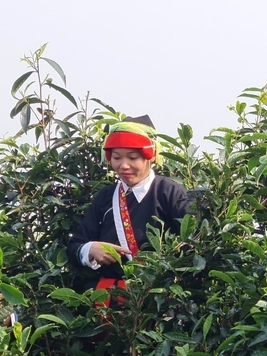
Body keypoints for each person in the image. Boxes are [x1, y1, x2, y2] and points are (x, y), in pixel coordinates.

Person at [67, 115, 192, 307]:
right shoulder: (106, 196)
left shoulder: (169, 192)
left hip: (156, 303)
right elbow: (75, 245)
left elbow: (194, 241)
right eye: (117, 157)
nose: (123, 165)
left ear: (150, 156)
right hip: (108, 304)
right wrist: (91, 249)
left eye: (133, 158)